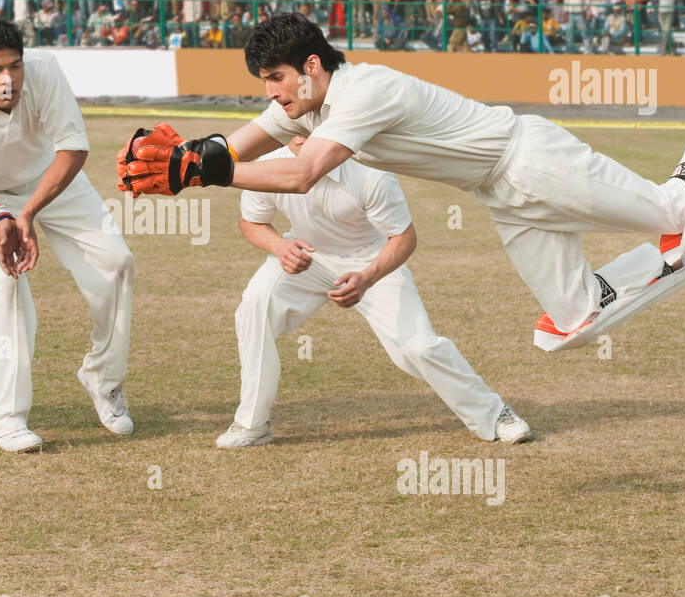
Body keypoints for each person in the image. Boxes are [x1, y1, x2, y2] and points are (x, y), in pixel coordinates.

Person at [119, 14, 685, 351]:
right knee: (569, 324)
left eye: (275, 81)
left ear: (309, 66)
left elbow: (299, 174)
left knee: (675, 210)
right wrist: (191, 162)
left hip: (531, 160)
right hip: (501, 193)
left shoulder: (364, 92)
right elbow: (233, 147)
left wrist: (211, 171)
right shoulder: (305, 99)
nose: (272, 96)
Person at [223, 136, 530, 449]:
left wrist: (367, 278)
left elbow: (403, 238)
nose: (302, 137)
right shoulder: (268, 167)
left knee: (417, 346)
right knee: (254, 307)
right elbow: (251, 222)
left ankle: (493, 414)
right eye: (294, 129)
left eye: (312, 129)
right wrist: (280, 246)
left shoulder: (369, 171)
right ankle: (252, 424)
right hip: (306, 252)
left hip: (371, 258)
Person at [0, 19, 135, 453]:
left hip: (56, 183)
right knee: (8, 283)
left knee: (117, 263)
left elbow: (73, 147)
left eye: (15, 67)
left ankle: (103, 378)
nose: (9, 80)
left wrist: (32, 212)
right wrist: (1, 216)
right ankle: (7, 420)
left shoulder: (45, 71)